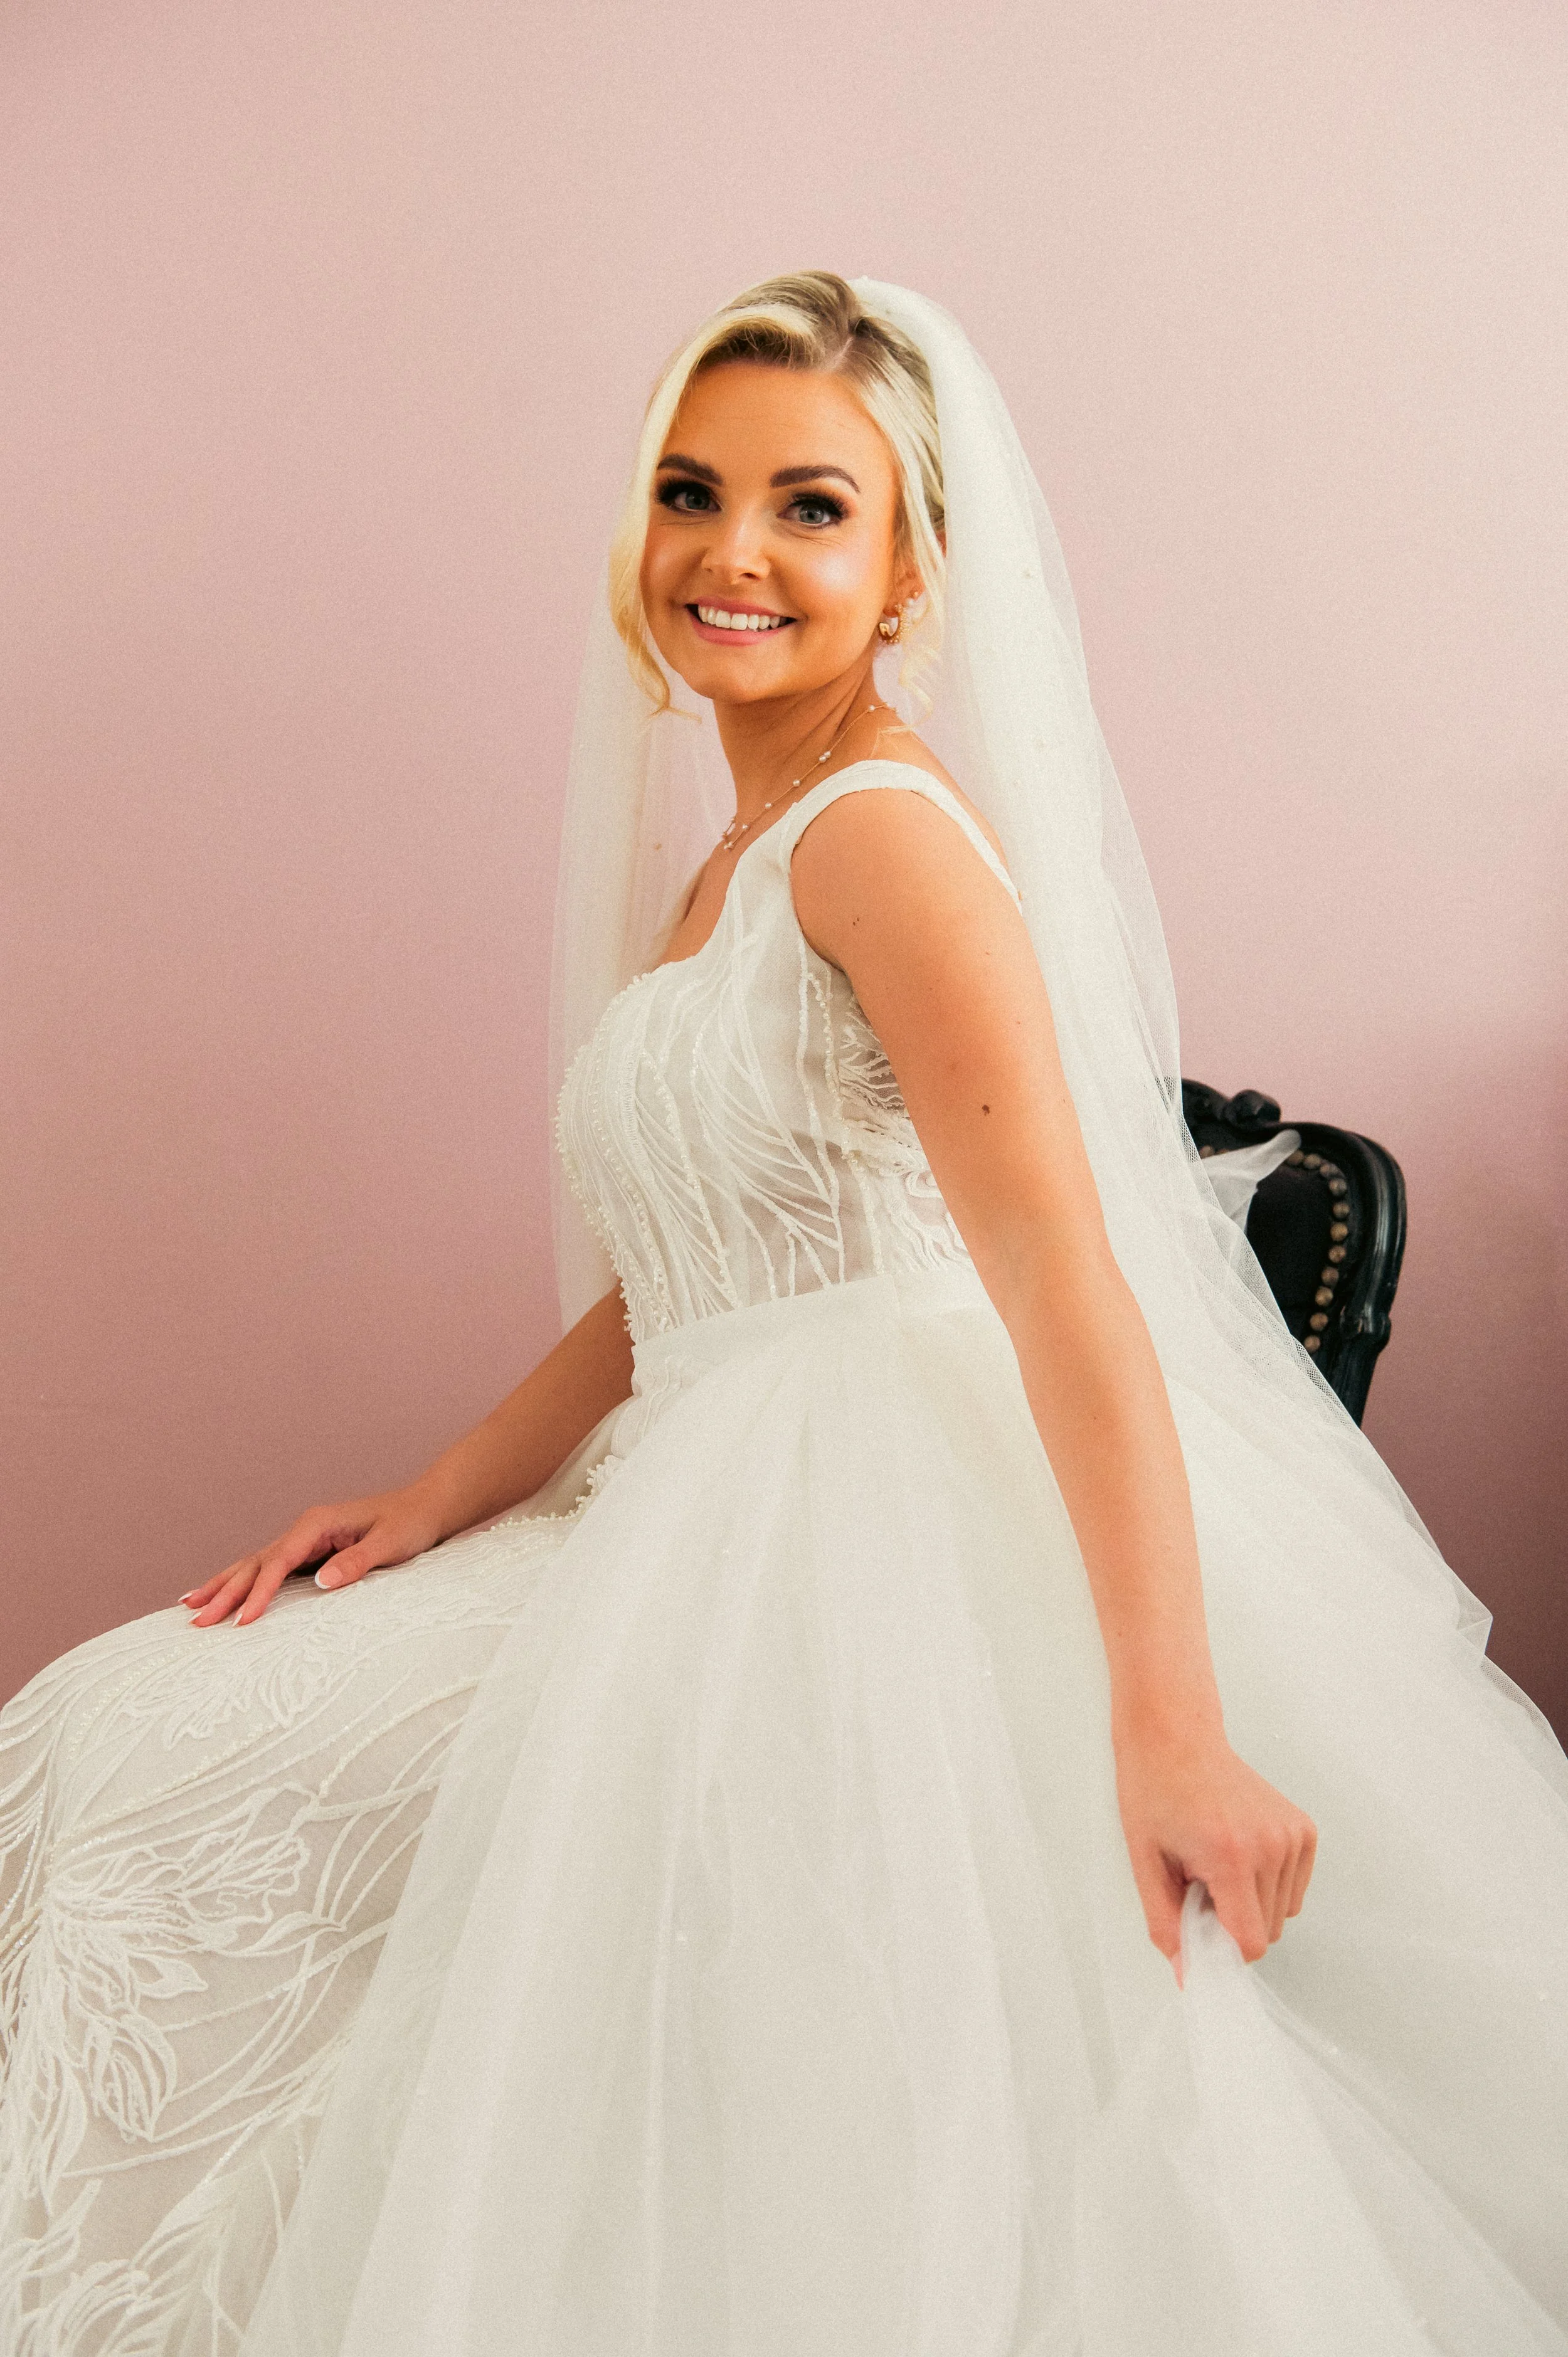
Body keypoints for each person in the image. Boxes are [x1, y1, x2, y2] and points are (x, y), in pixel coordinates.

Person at [1, 273, 1564, 2356]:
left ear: (913, 569)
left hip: (866, 1504)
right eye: (689, 491)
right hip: (685, 1471)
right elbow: (687, 1269)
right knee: (128, 1722)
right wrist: (434, 1491)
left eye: (810, 507)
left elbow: (1066, 1283)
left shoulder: (880, 847)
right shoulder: (732, 868)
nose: (732, 553)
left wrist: (1174, 1728)